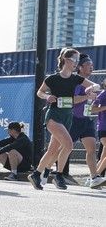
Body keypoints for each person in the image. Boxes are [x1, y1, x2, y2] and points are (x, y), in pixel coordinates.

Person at [27, 48, 98, 191]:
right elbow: (40, 92)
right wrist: (47, 96)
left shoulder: (76, 79)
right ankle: (58, 175)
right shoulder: (52, 79)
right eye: (75, 60)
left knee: (52, 150)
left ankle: (36, 174)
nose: (76, 64)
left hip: (67, 117)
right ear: (66, 60)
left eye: (78, 61)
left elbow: (94, 85)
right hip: (54, 116)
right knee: (69, 145)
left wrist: (89, 91)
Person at [69, 54, 100, 185]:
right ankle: (45, 171)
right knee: (63, 148)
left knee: (92, 149)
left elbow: (88, 102)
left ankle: (94, 177)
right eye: (88, 64)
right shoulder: (78, 81)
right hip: (74, 119)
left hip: (86, 120)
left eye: (92, 64)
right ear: (80, 67)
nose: (91, 67)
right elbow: (73, 100)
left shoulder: (91, 84)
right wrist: (86, 95)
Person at [84, 82, 106, 188]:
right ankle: (94, 177)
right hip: (104, 127)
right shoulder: (103, 94)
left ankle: (93, 178)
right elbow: (91, 109)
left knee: (104, 157)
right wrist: (104, 108)